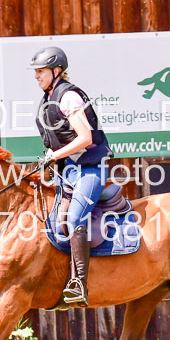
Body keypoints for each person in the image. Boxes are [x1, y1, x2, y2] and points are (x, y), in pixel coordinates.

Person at [30, 46, 112, 307]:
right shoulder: (48, 98)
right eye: (36, 72)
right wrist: (49, 159)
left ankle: (79, 284)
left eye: (40, 71)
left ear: (56, 71)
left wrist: (54, 156)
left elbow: (85, 138)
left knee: (75, 217)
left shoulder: (69, 97)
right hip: (68, 173)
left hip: (90, 169)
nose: (36, 76)